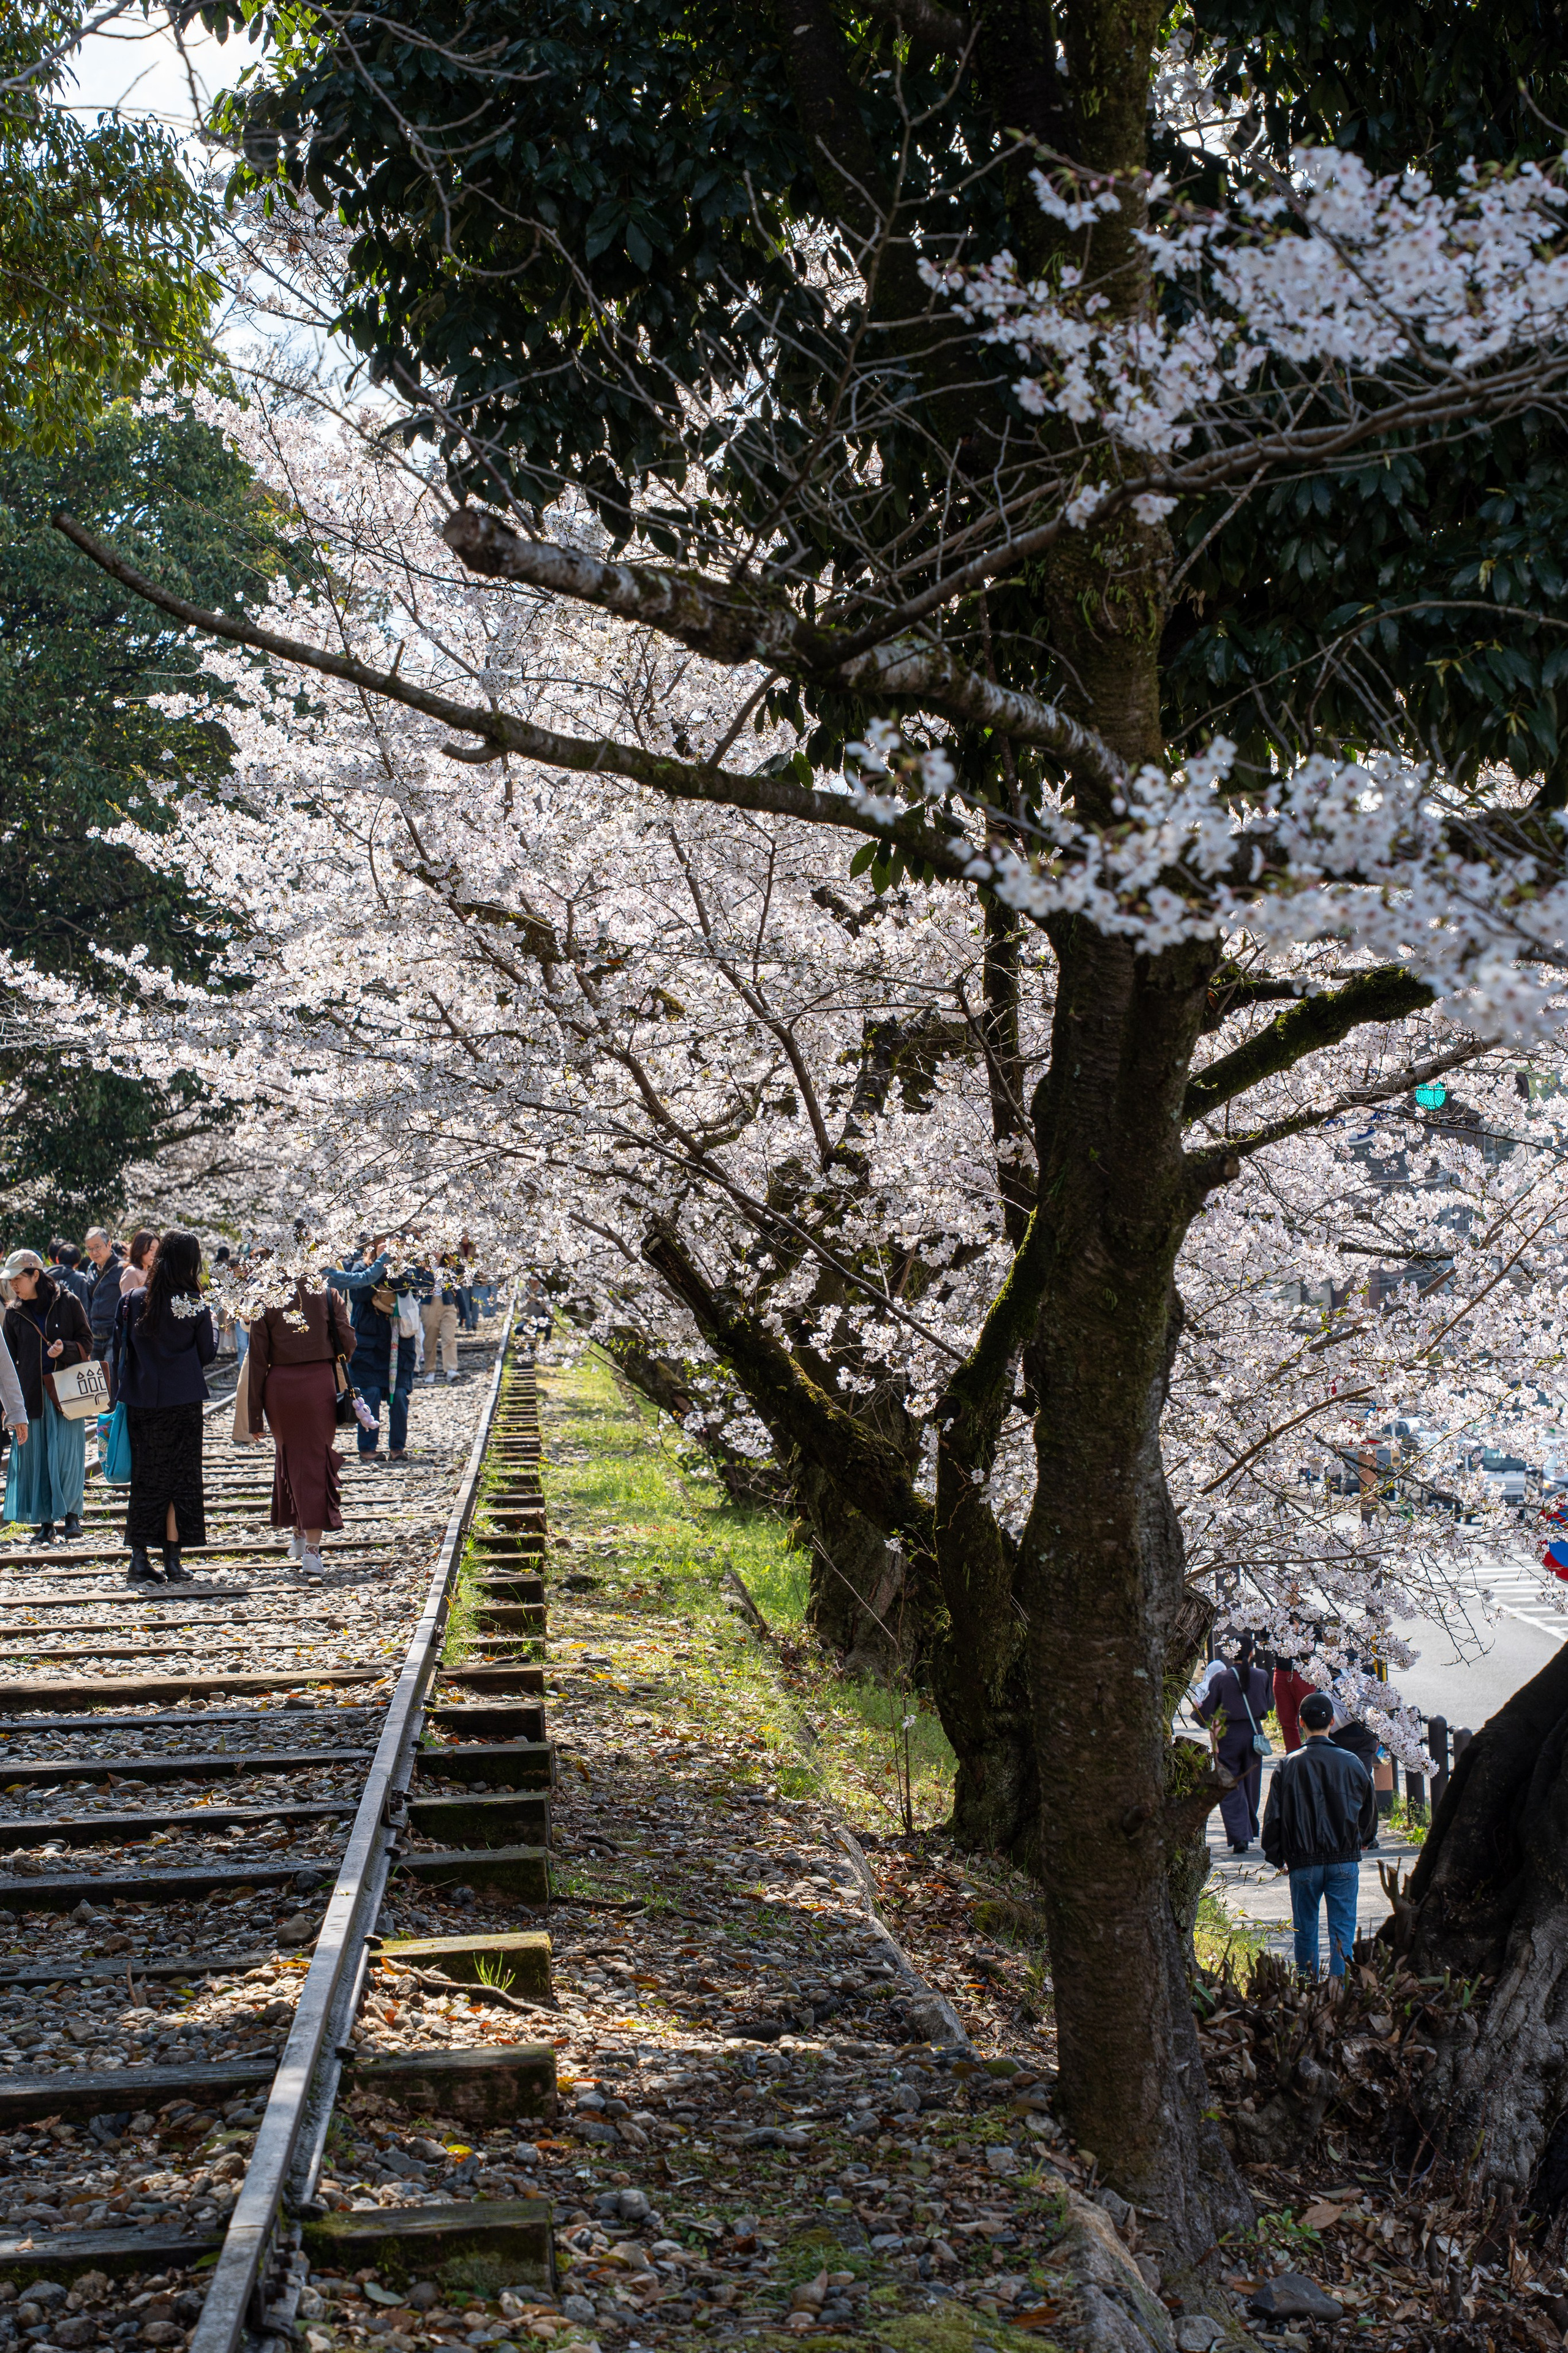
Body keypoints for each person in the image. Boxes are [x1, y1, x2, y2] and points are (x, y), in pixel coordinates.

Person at [111, 1229, 214, 1587]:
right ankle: (173, 1560)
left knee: (147, 1479)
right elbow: (207, 1353)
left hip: (143, 1401)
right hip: (183, 1400)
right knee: (181, 1481)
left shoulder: (134, 1299)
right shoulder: (195, 1303)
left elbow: (119, 1350)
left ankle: (139, 1559)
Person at [1261, 1689, 1379, 1979]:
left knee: (1305, 1930)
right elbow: (1369, 1810)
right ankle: (1341, 1992)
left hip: (1303, 1860)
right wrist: (1363, 1840)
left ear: (1300, 1722)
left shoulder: (1288, 1765)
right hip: (1344, 1860)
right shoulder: (1352, 1762)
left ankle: (1306, 1988)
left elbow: (1272, 1818)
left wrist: (1277, 1857)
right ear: (1331, 1723)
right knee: (1342, 1932)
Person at [245, 1274, 358, 1577]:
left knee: (290, 1455)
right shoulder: (327, 1293)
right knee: (315, 1460)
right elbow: (348, 1341)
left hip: (280, 1387)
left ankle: (298, 1532)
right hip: (318, 1385)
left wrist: (254, 1415)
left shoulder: (265, 1296)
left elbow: (257, 1358)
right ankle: (311, 1551)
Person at [1, 1248, 93, 1543]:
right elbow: (7, 1360)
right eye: (10, 1280)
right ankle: (45, 1523)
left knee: (68, 1455)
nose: (14, 1285)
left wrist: (64, 1349)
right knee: (35, 1457)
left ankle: (72, 1517)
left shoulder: (67, 1301)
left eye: (18, 1279)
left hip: (65, 1392)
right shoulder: (14, 1312)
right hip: (30, 1394)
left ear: (35, 1275)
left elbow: (86, 1340)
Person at [334, 1243, 417, 1460]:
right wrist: (379, 1269)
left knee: (399, 1396)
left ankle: (397, 1448)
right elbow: (360, 1292)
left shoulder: (405, 1268)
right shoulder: (361, 1268)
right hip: (368, 1346)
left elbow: (407, 1287)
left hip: (398, 1346)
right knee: (368, 1396)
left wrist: (389, 1269)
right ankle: (367, 1449)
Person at [1196, 1634, 1274, 1854]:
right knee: (1251, 1784)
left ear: (1232, 1653)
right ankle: (1248, 1830)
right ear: (1251, 1653)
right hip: (1253, 1733)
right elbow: (1268, 1706)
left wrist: (1197, 1713)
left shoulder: (1221, 1679)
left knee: (1229, 1783)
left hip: (1229, 1735)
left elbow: (1207, 1712)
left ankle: (1240, 1834)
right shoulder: (1262, 1676)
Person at [84, 1228, 125, 1362]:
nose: (94, 1252)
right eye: (89, 1249)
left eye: (97, 1247)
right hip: (95, 1333)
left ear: (109, 1244)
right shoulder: (91, 1269)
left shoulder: (122, 1268)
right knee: (97, 1380)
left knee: (111, 1378)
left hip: (115, 1332)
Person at [420, 1255, 462, 1384]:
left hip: (447, 1303)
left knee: (449, 1338)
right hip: (429, 1304)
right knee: (430, 1339)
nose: (437, 1251)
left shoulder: (449, 1266)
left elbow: (456, 1289)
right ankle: (430, 1370)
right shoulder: (422, 1267)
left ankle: (450, 1369)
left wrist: (464, 1311)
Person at [47, 1242, 92, 1310]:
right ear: (77, 1263)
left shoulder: (44, 1276)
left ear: (57, 1259)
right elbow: (85, 1307)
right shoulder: (80, 1279)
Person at [121, 1229, 159, 1296]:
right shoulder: (132, 1272)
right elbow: (127, 1302)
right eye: (151, 1249)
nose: (155, 1254)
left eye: (157, 1250)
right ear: (140, 1248)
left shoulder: (150, 1271)